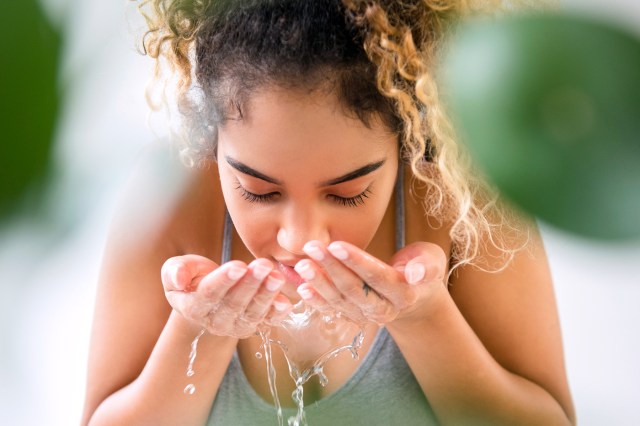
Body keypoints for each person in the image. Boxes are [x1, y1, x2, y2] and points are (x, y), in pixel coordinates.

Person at [81, 0, 575, 425]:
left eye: (347, 193)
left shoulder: (465, 200)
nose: (300, 239)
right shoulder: (165, 205)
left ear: (406, 136)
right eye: (257, 190)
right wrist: (201, 332)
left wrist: (423, 319)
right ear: (212, 140)